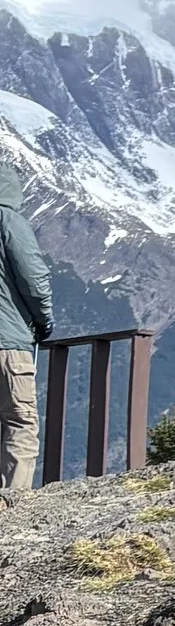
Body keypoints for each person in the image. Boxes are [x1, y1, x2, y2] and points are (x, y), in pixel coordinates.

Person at [0, 160, 54, 498]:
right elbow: (34, 279)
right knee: (19, 423)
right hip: (8, 345)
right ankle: (13, 510)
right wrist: (44, 320)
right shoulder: (8, 220)